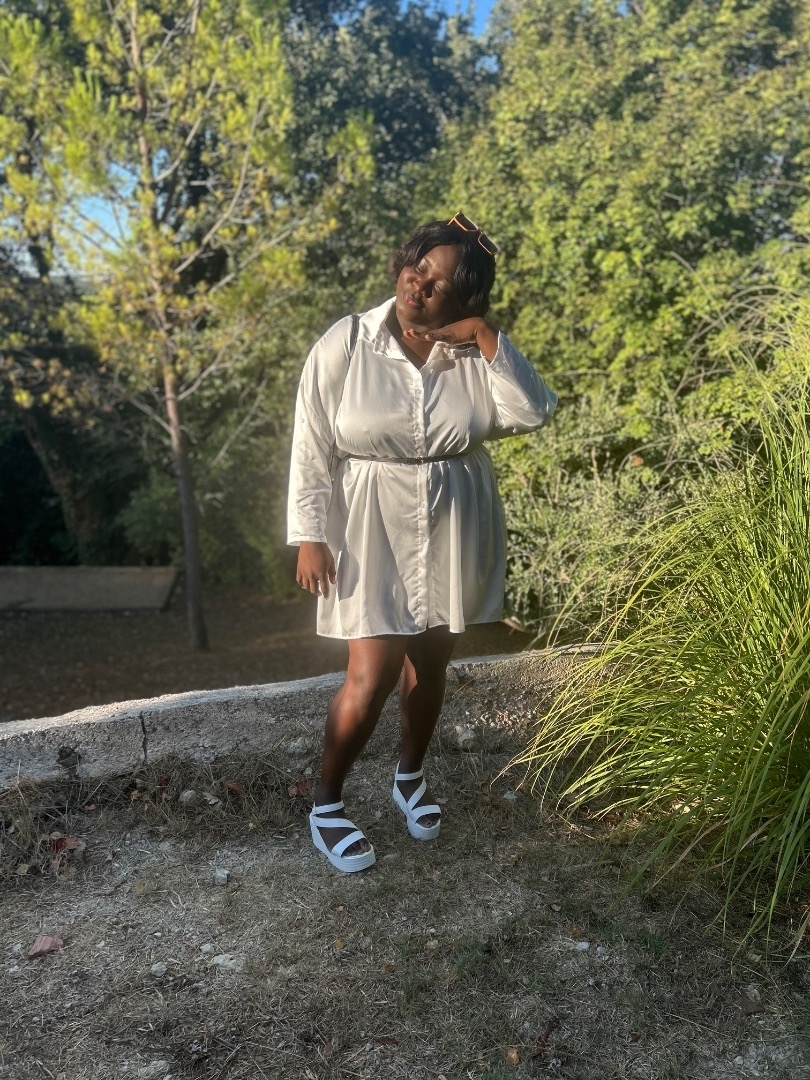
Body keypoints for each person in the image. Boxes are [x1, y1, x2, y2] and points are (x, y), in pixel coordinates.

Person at [287, 213, 557, 873]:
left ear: (463, 299)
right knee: (371, 672)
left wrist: (485, 337)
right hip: (367, 521)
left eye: (439, 284)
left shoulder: (474, 355)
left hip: (451, 520)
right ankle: (326, 803)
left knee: (431, 665)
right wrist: (308, 535)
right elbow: (311, 442)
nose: (419, 285)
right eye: (418, 267)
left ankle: (409, 778)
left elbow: (533, 411)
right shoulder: (349, 340)